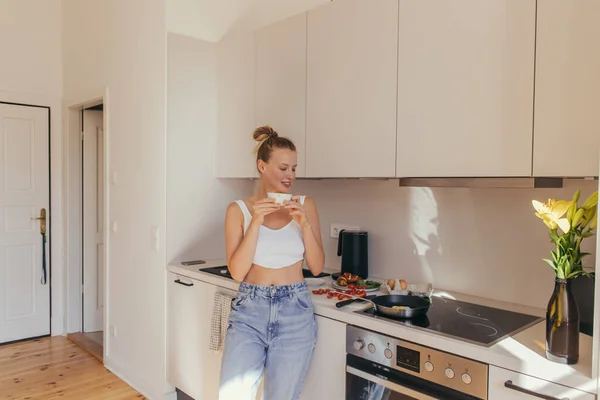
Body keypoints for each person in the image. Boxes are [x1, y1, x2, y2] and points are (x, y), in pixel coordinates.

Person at [218, 126, 325, 400]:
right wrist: (255, 222)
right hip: (249, 312)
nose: (290, 176)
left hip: (296, 311)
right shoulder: (238, 210)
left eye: (293, 169)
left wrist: (304, 223)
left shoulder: (305, 205)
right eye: (283, 168)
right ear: (262, 166)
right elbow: (237, 272)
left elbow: (316, 267)